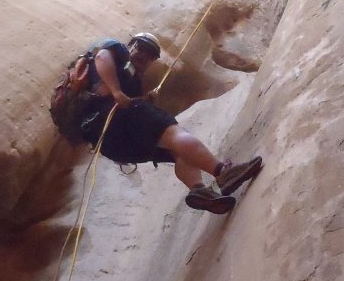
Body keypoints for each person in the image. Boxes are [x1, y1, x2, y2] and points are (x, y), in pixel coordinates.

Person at [77, 33, 262, 214]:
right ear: (131, 44)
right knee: (173, 135)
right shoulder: (116, 49)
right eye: (141, 47)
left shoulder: (133, 82)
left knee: (178, 152)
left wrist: (143, 98)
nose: (144, 55)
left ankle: (199, 190)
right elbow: (102, 57)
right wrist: (117, 92)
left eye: (150, 54)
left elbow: (126, 103)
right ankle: (223, 173)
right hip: (112, 117)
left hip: (112, 144)